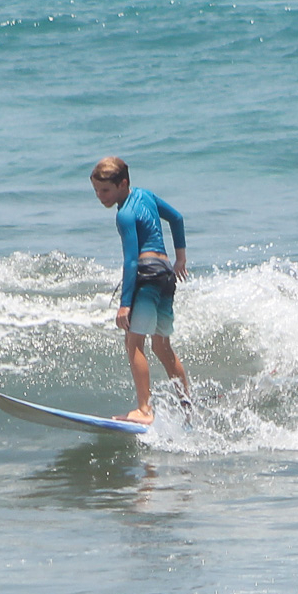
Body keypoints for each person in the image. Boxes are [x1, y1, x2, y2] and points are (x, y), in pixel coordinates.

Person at [89, 156, 192, 425]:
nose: (100, 196)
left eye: (106, 190)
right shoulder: (146, 196)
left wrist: (125, 304)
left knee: (134, 342)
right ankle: (187, 406)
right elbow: (177, 218)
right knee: (162, 345)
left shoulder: (124, 214)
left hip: (146, 274)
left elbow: (131, 260)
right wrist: (181, 258)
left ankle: (144, 410)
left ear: (123, 184)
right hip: (167, 275)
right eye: (97, 190)